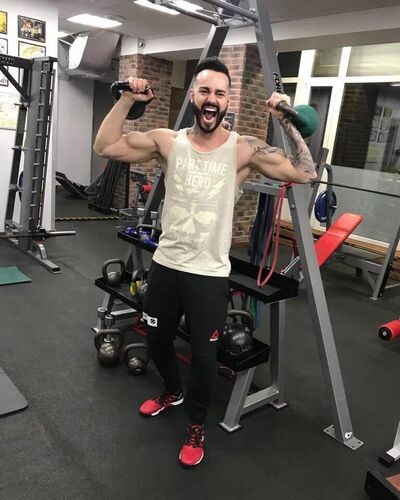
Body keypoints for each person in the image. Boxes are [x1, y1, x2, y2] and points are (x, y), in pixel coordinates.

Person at [94, 57, 316, 468]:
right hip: (166, 265)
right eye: (205, 91)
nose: (212, 99)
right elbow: (105, 146)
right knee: (157, 339)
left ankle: (196, 424)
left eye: (219, 93)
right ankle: (172, 392)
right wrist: (126, 99)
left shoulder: (243, 150)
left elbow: (305, 173)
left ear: (227, 101)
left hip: (209, 275)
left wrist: (286, 119)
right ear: (194, 97)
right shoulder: (167, 142)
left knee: (204, 356)